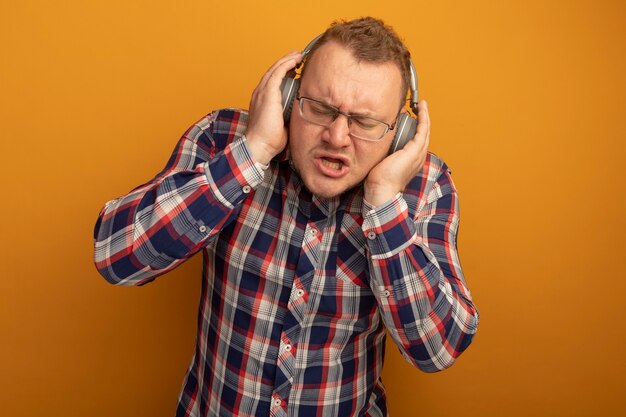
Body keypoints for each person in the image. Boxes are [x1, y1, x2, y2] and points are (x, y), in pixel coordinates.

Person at [94, 17, 479, 417]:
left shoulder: (425, 185)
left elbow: (437, 349)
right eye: (319, 108)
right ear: (288, 95)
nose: (337, 136)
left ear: (399, 134)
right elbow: (115, 256)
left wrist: (384, 204)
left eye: (365, 122)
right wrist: (252, 152)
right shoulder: (223, 140)